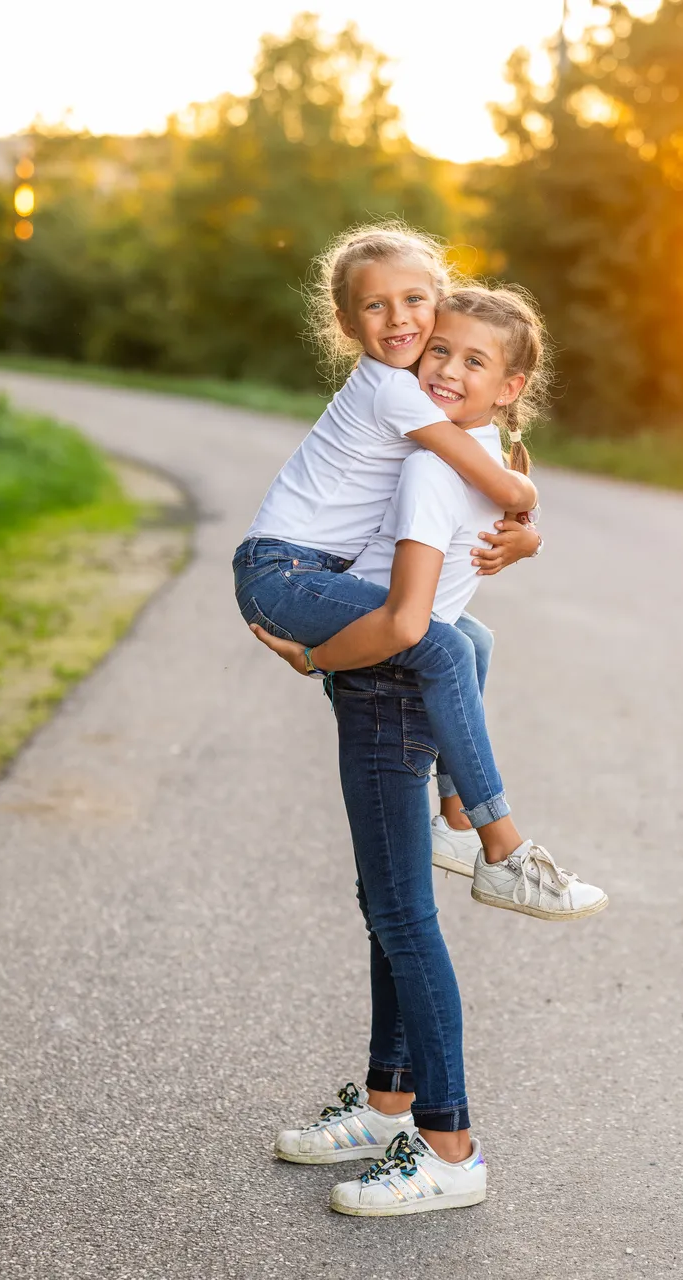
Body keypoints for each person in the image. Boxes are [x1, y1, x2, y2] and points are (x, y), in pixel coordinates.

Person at [261, 284, 606, 1217]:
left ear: (510, 384)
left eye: (472, 361)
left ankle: (449, 1146)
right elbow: (491, 532)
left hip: (382, 687)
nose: (445, 369)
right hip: (392, 682)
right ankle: (387, 1106)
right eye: (437, 352)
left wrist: (313, 659)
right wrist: (528, 528)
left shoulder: (429, 464)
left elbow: (414, 621)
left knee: (402, 916)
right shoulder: (459, 445)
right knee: (388, 905)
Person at [235, 223, 606, 912]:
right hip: (282, 571)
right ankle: (500, 843)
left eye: (413, 301)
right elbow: (499, 483)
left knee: (475, 639)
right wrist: (527, 511)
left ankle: (454, 821)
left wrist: (524, 537)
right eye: (376, 306)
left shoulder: (416, 381)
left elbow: (482, 468)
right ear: (346, 323)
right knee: (436, 643)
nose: (399, 318)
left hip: (308, 568)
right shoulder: (393, 389)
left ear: (438, 301)